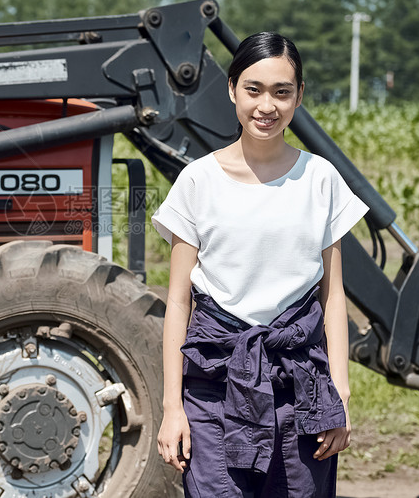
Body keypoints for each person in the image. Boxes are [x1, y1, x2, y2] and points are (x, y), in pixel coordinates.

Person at [152, 32, 368, 497]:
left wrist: (342, 395)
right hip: (214, 390)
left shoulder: (320, 179)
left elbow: (332, 299)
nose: (266, 106)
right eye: (253, 90)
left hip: (302, 389)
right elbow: (177, 301)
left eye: (281, 92)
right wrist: (173, 407)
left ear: (299, 96)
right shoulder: (198, 181)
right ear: (232, 90)